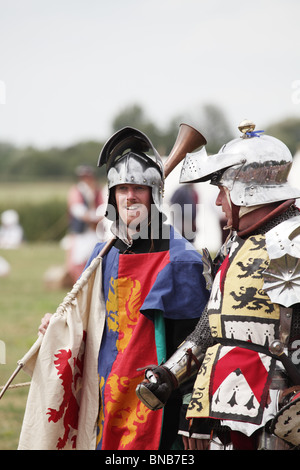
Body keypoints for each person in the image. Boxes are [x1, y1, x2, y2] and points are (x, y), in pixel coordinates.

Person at [39, 127, 209, 450]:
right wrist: (59, 328)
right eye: (122, 188)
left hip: (160, 410)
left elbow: (196, 350)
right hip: (108, 396)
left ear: (154, 195)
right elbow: (89, 322)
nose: (129, 196)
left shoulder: (182, 260)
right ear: (112, 197)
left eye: (138, 188)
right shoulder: (104, 254)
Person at [136, 120, 300, 450]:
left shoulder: (292, 241)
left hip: (276, 407)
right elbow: (213, 325)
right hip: (218, 402)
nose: (217, 203)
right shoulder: (237, 243)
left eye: (222, 192)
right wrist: (171, 373)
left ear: (245, 191)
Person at [64, 165, 105, 284]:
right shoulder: (76, 191)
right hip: (81, 231)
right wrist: (93, 217)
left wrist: (99, 218)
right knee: (78, 258)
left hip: (95, 231)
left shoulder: (98, 190)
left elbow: (103, 207)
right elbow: (78, 210)